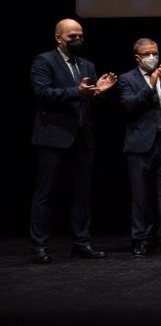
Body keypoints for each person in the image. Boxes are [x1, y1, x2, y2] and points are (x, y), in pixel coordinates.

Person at [29, 17, 118, 264]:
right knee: (46, 193)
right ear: (59, 38)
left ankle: (81, 242)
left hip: (82, 137)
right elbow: (42, 93)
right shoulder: (44, 61)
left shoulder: (86, 65)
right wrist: (76, 92)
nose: (78, 40)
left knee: (82, 194)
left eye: (80, 36)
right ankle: (39, 245)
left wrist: (99, 91)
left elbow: (87, 99)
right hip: (53, 137)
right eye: (72, 37)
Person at [119, 38, 161, 257]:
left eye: (155, 53)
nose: (152, 58)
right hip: (140, 143)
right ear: (138, 57)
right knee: (141, 195)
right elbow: (129, 106)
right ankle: (141, 239)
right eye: (147, 54)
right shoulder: (127, 79)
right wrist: (150, 85)